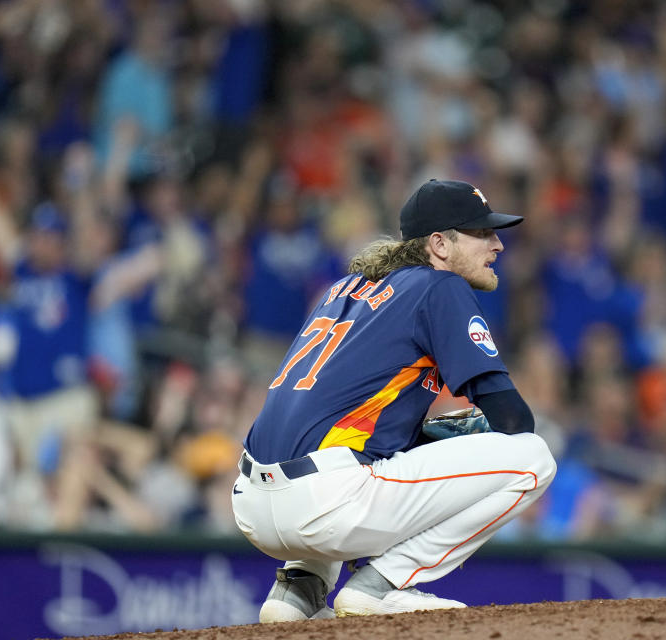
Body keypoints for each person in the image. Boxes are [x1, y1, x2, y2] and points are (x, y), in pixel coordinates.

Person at [232, 179, 556, 622]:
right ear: (440, 244)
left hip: (252, 502)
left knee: (355, 452)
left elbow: (341, 414)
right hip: (325, 503)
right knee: (534, 457)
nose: (498, 244)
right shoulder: (440, 287)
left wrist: (428, 437)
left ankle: (297, 594)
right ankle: (381, 587)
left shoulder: (343, 289)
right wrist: (460, 436)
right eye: (482, 233)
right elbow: (514, 420)